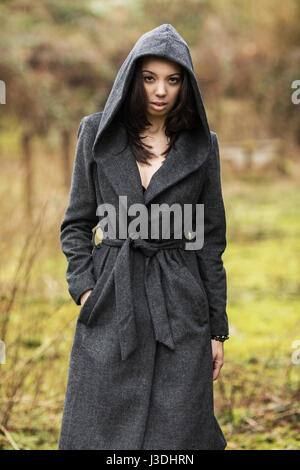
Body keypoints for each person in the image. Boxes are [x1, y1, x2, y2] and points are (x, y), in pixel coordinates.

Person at [58, 23, 229, 450]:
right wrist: (86, 289)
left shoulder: (202, 146)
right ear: (132, 78)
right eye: (149, 78)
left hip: (180, 298)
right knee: (99, 427)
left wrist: (216, 328)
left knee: (178, 432)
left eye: (173, 80)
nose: (160, 90)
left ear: (185, 85)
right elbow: (76, 223)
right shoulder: (95, 134)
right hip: (113, 294)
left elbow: (209, 241)